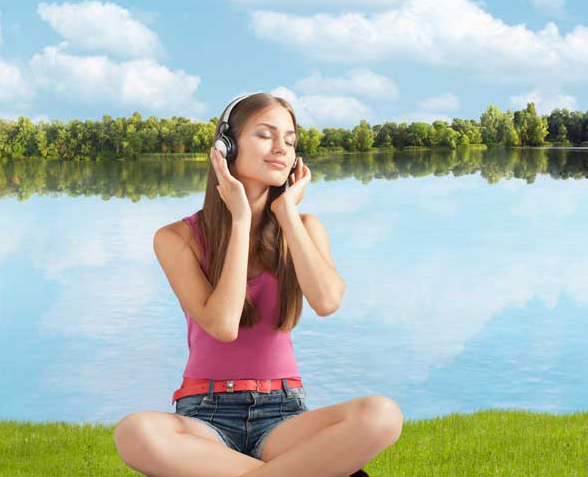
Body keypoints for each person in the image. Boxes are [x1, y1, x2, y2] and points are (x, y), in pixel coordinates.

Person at [113, 92, 400, 476]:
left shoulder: (304, 228)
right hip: (205, 415)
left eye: (290, 139)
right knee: (135, 432)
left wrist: (287, 214)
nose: (281, 148)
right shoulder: (175, 238)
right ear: (226, 147)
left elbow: (327, 301)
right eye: (265, 135)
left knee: (381, 415)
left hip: (284, 415)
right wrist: (240, 219)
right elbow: (223, 325)